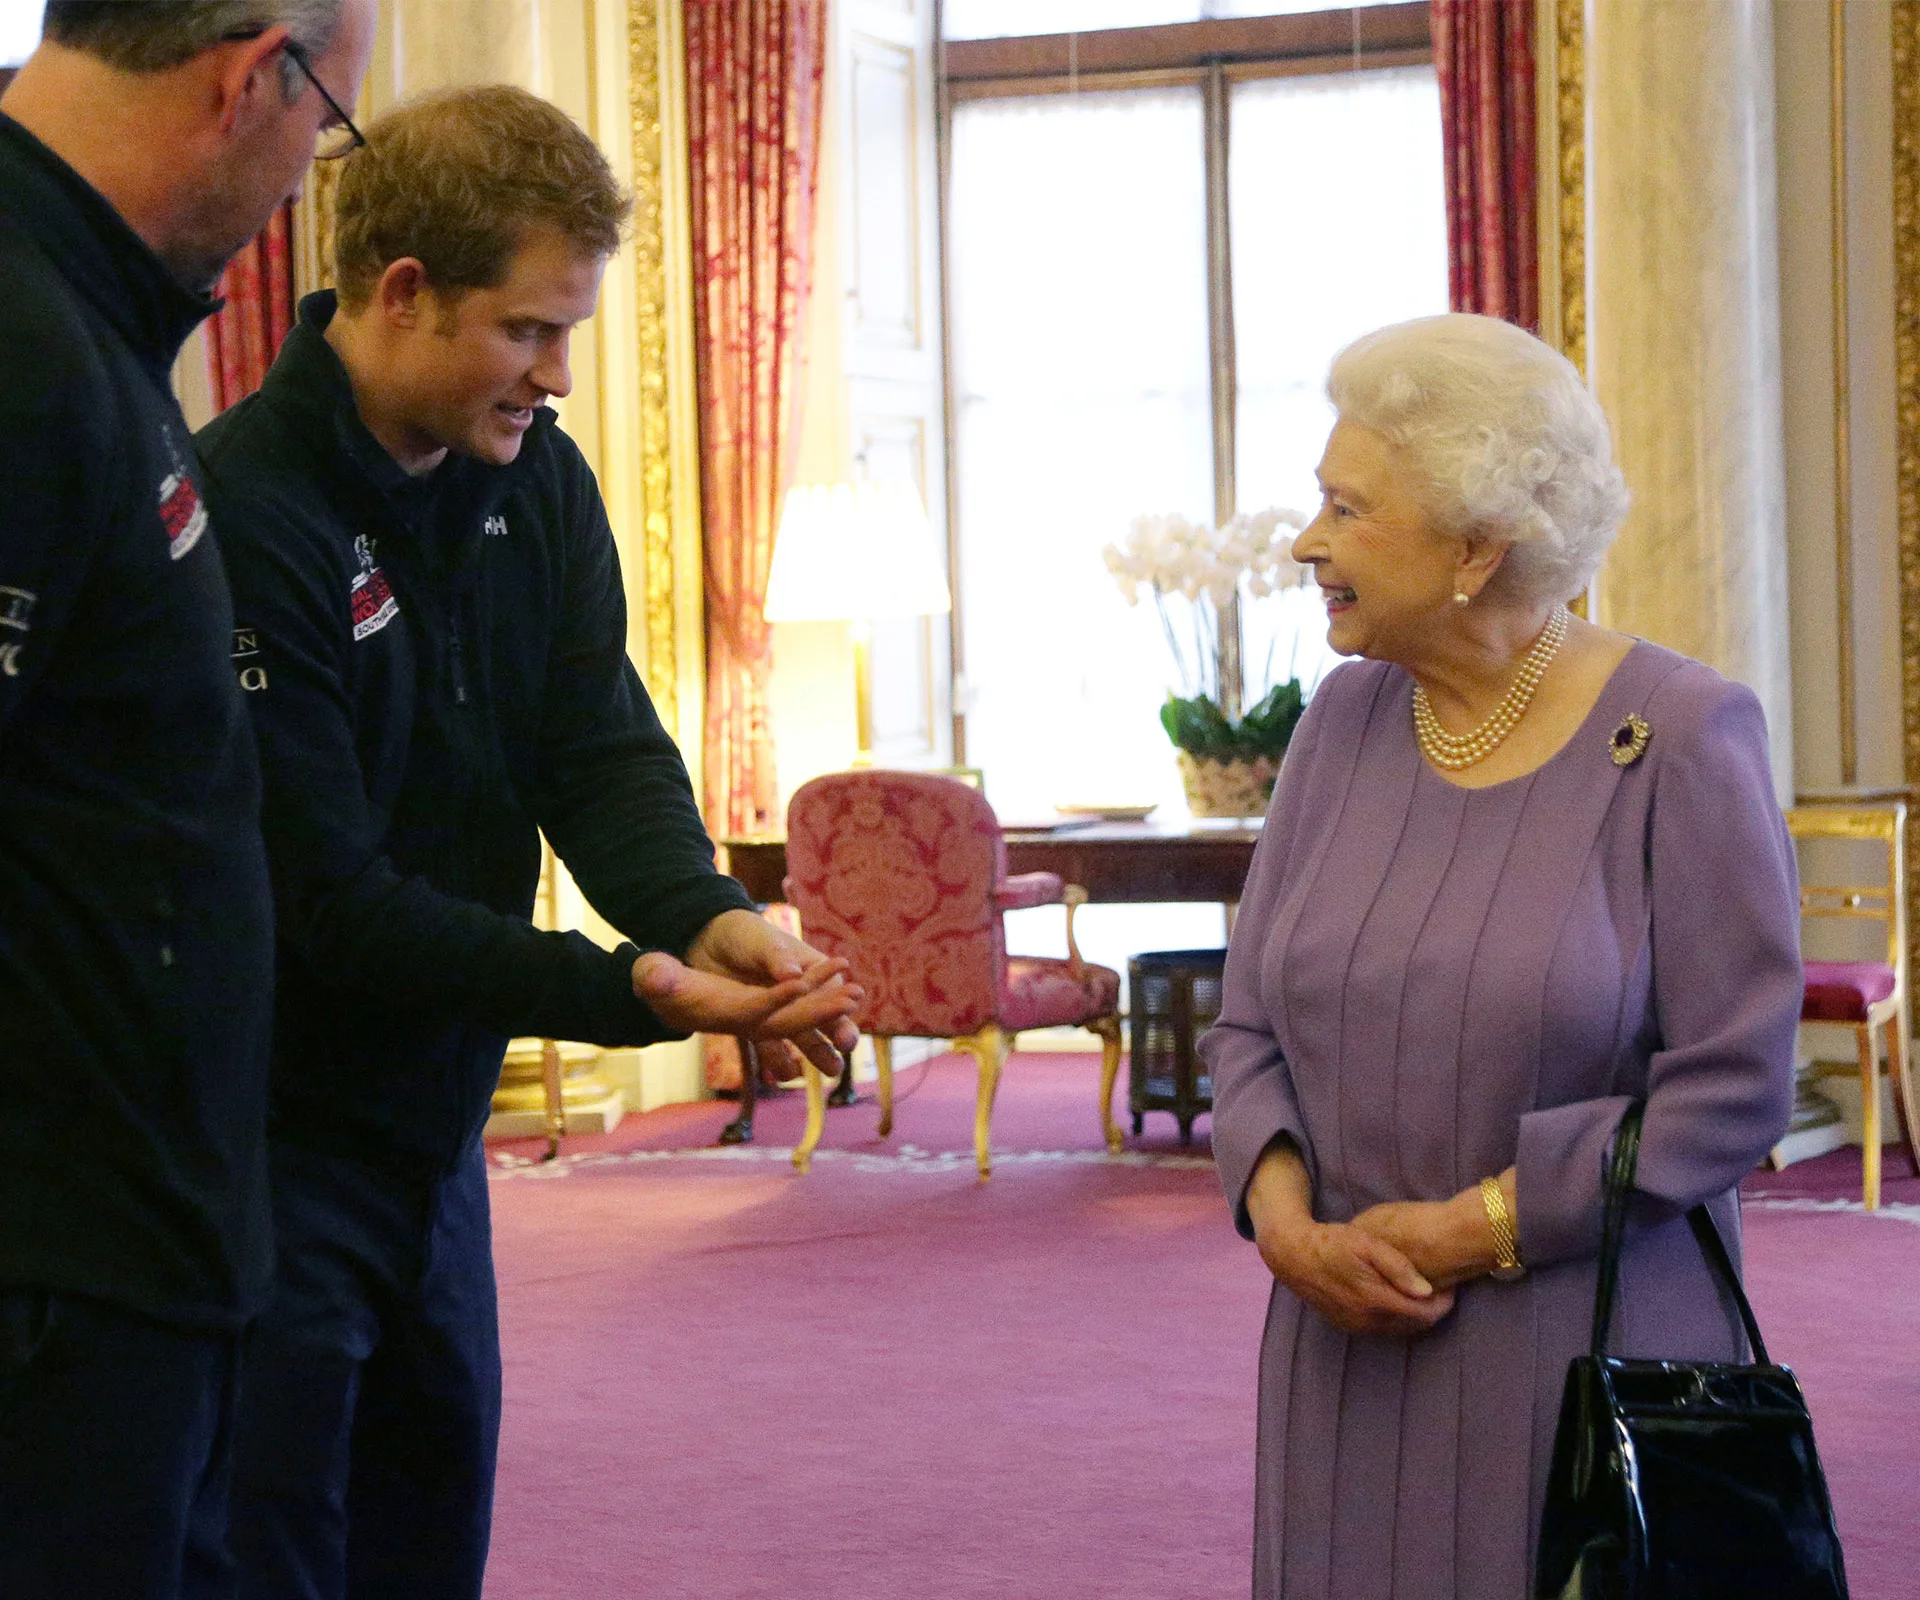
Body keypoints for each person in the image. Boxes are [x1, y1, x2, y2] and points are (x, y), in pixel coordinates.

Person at [193, 84, 858, 1600]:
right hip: (268, 1153)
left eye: (570, 334)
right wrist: (626, 993)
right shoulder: (244, 517)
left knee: (432, 1549)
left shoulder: (533, 478)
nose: (559, 377)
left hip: (434, 1151)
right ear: (405, 293)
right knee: (280, 1560)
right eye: (529, 332)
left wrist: (703, 919)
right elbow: (332, 904)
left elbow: (596, 746)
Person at [1199, 313, 1801, 1599]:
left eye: (1348, 508)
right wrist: (1288, 1223)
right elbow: (1247, 1023)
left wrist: (1479, 1228)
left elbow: (1734, 1086)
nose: (1308, 541)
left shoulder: (1684, 736)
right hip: (1340, 1341)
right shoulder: (1341, 721)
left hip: (1583, 1356)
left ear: (1477, 546)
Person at [0, 4, 377, 1597]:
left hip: (135, 1256)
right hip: (54, 1283)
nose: (305, 175)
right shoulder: (20, 342)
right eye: (328, 127)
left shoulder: (87, 318)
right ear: (256, 76)